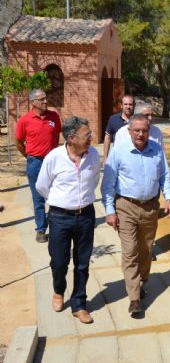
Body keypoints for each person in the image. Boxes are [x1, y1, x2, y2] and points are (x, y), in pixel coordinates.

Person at [101, 113, 170, 316]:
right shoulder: (119, 151)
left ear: (149, 131)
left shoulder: (157, 149)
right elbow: (107, 185)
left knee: (145, 251)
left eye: (144, 131)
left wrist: (169, 198)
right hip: (126, 207)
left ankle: (142, 282)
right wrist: (109, 211)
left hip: (151, 208)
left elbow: (165, 175)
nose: (140, 134)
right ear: (129, 131)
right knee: (130, 251)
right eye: (137, 131)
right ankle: (134, 298)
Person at [35, 116, 100, 324]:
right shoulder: (54, 157)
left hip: (86, 216)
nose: (91, 138)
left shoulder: (94, 156)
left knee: (82, 263)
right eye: (86, 135)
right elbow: (42, 187)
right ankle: (58, 291)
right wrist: (61, 202)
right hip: (60, 217)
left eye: (90, 134)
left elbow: (95, 180)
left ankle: (79, 304)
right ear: (71, 138)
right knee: (59, 262)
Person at [15, 89, 62, 243]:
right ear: (33, 102)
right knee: (38, 197)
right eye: (41, 99)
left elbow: (56, 136)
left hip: (52, 162)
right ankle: (41, 230)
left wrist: (53, 154)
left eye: (46, 98)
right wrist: (29, 156)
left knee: (55, 194)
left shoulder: (54, 117)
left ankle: (57, 227)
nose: (45, 101)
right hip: (35, 162)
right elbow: (19, 142)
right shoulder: (24, 120)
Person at [103, 94, 135, 163]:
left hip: (135, 156)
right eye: (125, 104)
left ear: (133, 106)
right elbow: (107, 137)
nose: (128, 106)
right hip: (118, 157)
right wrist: (105, 157)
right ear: (121, 105)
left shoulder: (137, 120)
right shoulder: (113, 119)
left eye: (130, 104)